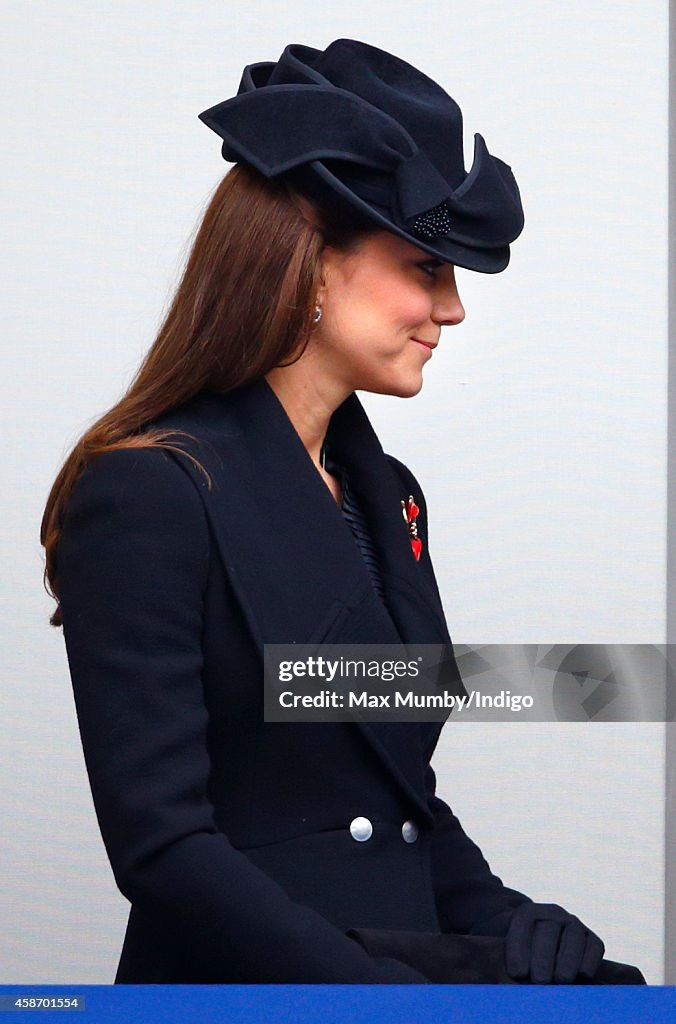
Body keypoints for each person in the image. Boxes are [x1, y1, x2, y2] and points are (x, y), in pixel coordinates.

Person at [40, 38, 645, 985]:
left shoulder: (389, 495)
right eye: (424, 268)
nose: (450, 310)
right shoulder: (148, 491)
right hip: (249, 998)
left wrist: (512, 921)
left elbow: (396, 799)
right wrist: (383, 1002)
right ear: (309, 269)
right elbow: (163, 848)